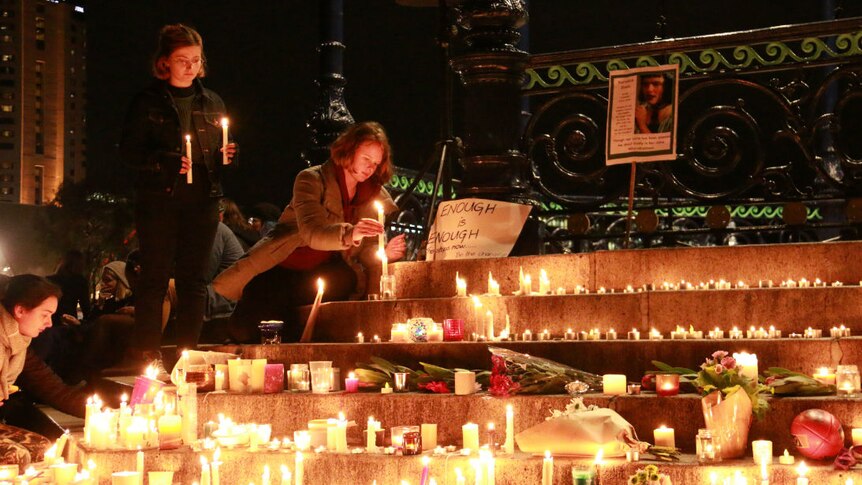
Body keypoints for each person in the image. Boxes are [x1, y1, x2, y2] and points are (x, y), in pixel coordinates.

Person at [214, 121, 407, 343]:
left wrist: (384, 253)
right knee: (250, 330)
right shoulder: (311, 179)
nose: (370, 167)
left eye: (376, 162)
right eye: (366, 159)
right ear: (349, 150)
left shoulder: (374, 194)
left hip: (325, 271)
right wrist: (350, 233)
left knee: (343, 281)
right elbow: (312, 232)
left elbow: (365, 249)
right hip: (285, 267)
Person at [120, 24, 237, 378]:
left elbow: (214, 155)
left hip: (202, 198)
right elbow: (129, 152)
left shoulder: (211, 101)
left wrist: (226, 155)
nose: (189, 67)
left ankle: (188, 353)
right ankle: (148, 353)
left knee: (194, 279)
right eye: (181, 60)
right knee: (154, 278)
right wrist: (165, 161)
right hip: (159, 199)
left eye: (195, 60)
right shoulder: (148, 102)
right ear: (164, 63)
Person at [0, 275, 60, 465]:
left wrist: (99, 410)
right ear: (20, 310)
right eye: (45, 314)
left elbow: (52, 388)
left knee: (44, 445)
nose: (49, 323)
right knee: (16, 456)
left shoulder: (19, 344)